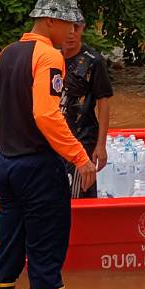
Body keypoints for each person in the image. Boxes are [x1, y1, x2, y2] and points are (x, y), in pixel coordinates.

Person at [0, 0, 97, 289]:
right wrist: (81, 158)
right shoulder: (48, 57)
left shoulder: (6, 54)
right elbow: (46, 115)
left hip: (6, 165)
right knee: (45, 254)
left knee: (8, 249)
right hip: (38, 168)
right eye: (67, 22)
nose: (72, 30)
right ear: (50, 20)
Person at [60, 21, 114, 198]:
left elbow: (103, 102)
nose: (71, 33)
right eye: (67, 27)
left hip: (82, 136)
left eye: (76, 28)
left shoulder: (92, 61)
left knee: (79, 192)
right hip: (56, 135)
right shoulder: (50, 56)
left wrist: (101, 145)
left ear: (83, 28)